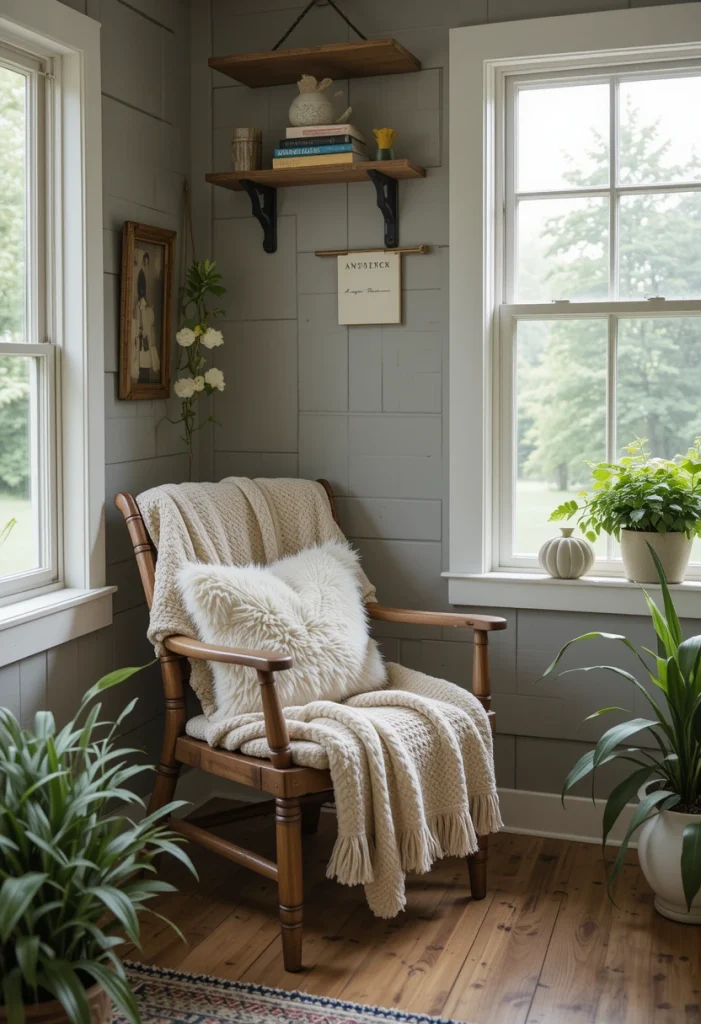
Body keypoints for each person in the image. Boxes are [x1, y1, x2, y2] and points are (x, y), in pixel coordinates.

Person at [131, 250, 160, 383]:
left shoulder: (147, 309)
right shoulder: (137, 273)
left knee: (145, 365)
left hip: (145, 341)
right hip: (139, 340)